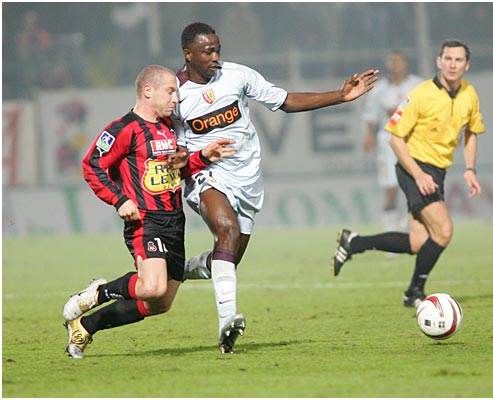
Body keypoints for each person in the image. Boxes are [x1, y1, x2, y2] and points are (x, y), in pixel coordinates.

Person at [168, 22, 378, 354]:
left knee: (227, 257)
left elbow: (286, 101)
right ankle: (227, 322)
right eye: (208, 51)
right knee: (226, 229)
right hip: (206, 174)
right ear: (188, 54)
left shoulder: (237, 75)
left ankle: (175, 270)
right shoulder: (174, 93)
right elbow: (169, 143)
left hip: (247, 178)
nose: (215, 56)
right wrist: (185, 158)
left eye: (218, 49)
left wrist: (341, 95)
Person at [62, 64, 236, 359]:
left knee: (160, 303)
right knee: (152, 288)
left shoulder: (169, 128)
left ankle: (86, 326)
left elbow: (174, 171)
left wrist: (203, 157)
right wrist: (119, 200)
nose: (175, 99)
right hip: (146, 221)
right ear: (147, 91)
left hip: (175, 221)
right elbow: (92, 165)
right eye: (170, 92)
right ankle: (99, 292)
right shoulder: (124, 129)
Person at [332, 39, 485, 308]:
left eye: (458, 60)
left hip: (437, 171)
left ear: (466, 65)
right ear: (439, 62)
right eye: (448, 59)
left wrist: (470, 169)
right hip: (413, 166)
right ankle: (414, 291)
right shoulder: (421, 94)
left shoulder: (469, 94)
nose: (452, 64)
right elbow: (395, 139)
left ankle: (354, 243)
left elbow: (472, 131)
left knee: (417, 242)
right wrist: (419, 175)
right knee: (444, 231)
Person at [362, 50, 423, 233]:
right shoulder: (379, 89)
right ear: (387, 64)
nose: (396, 64)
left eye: (399, 61)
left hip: (413, 140)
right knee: (390, 185)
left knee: (413, 182)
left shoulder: (417, 85)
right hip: (387, 140)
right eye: (392, 61)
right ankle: (390, 226)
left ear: (405, 63)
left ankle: (406, 224)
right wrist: (369, 136)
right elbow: (370, 115)